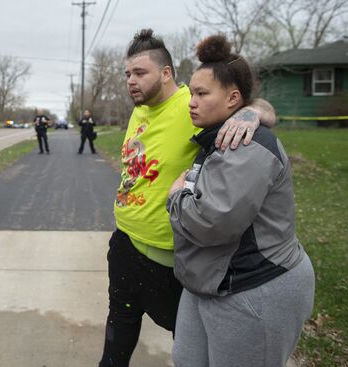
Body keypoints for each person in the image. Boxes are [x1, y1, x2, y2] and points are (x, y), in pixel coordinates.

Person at [98, 29, 277, 367]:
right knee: (118, 329)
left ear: (166, 73)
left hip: (170, 259)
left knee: (190, 345)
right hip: (124, 245)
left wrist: (251, 114)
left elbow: (259, 106)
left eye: (139, 73)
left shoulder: (190, 105)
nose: (130, 81)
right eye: (127, 74)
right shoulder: (140, 109)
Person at [166, 35, 315, 367]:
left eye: (202, 94)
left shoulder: (246, 144)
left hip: (255, 284)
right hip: (211, 281)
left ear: (233, 98)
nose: (192, 102)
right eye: (191, 93)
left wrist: (176, 196)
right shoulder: (217, 136)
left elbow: (210, 223)